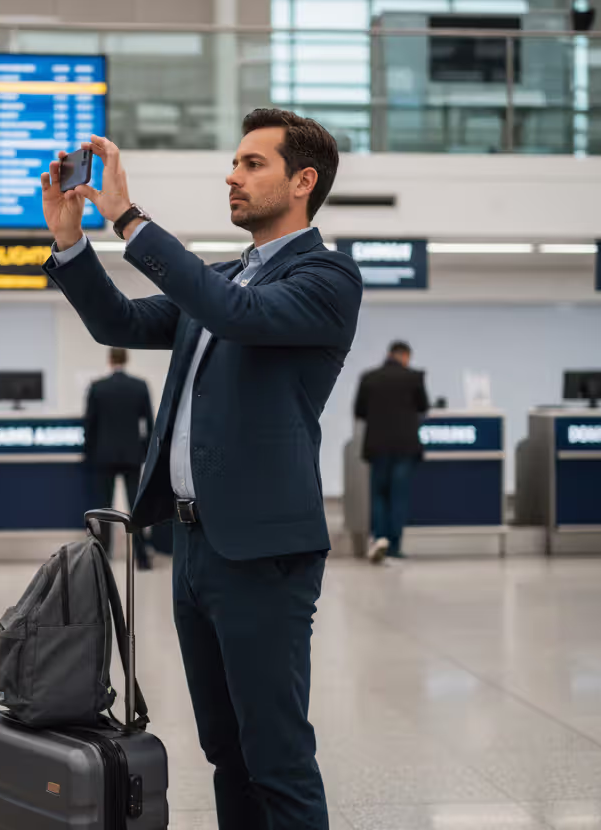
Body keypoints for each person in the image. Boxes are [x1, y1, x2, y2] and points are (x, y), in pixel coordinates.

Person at [41, 109, 362, 829]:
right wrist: (71, 241)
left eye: (253, 164)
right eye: (235, 162)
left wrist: (129, 218)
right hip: (193, 545)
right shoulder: (223, 279)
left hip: (262, 553)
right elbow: (119, 324)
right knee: (225, 750)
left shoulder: (326, 278)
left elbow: (237, 314)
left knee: (274, 753)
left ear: (303, 181)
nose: (232, 175)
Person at [354, 340, 429, 564]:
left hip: (378, 447)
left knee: (379, 495)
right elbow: (423, 407)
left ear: (388, 354)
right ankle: (395, 548)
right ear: (405, 356)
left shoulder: (369, 377)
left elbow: (359, 411)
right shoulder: (414, 377)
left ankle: (379, 540)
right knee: (399, 496)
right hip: (405, 447)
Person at [84, 347, 155, 570]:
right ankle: (141, 557)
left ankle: (102, 555)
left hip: (103, 455)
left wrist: (89, 454)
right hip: (132, 455)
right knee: (135, 507)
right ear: (126, 359)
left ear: (109, 360)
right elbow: (150, 424)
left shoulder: (97, 388)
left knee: (104, 508)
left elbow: (90, 425)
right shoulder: (139, 386)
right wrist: (144, 452)